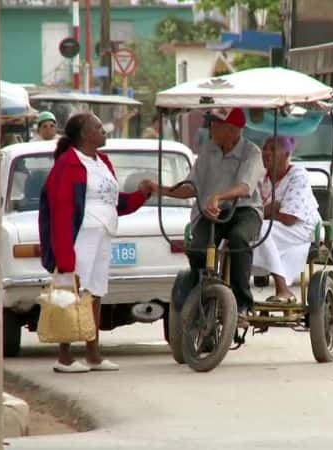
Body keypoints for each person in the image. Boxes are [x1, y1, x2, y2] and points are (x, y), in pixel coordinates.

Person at [38, 112, 152, 373]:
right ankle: (64, 356)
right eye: (99, 127)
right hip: (80, 238)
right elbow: (62, 211)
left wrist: (140, 195)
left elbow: (113, 201)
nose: (104, 131)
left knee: (95, 294)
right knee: (69, 293)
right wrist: (64, 255)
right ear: (85, 134)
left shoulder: (102, 162)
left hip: (102, 235)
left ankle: (93, 353)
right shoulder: (69, 164)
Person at [143, 107, 264, 321]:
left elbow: (245, 188)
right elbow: (191, 188)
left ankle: (242, 302)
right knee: (197, 247)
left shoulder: (251, 152)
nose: (211, 129)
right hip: (211, 212)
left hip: (245, 210)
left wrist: (219, 196)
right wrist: (159, 188)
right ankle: (201, 293)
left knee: (238, 239)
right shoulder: (208, 151)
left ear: (233, 129)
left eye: (216, 125)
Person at [252, 136, 322, 302]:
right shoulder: (261, 177)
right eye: (265, 148)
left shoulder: (298, 175)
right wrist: (271, 208)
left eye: (273, 149)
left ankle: (283, 289)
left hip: (303, 228)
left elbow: (289, 218)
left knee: (262, 230)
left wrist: (264, 211)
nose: (266, 152)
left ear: (287, 154)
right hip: (275, 226)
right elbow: (250, 211)